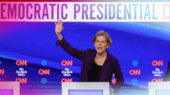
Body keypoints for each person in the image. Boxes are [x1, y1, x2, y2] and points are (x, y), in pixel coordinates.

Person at [55, 19, 124, 94]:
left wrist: (114, 89)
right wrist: (58, 34)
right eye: (97, 41)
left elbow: (120, 79)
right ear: (94, 44)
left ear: (107, 45)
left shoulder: (113, 60)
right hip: (83, 92)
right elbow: (71, 50)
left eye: (102, 42)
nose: (99, 44)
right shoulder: (88, 54)